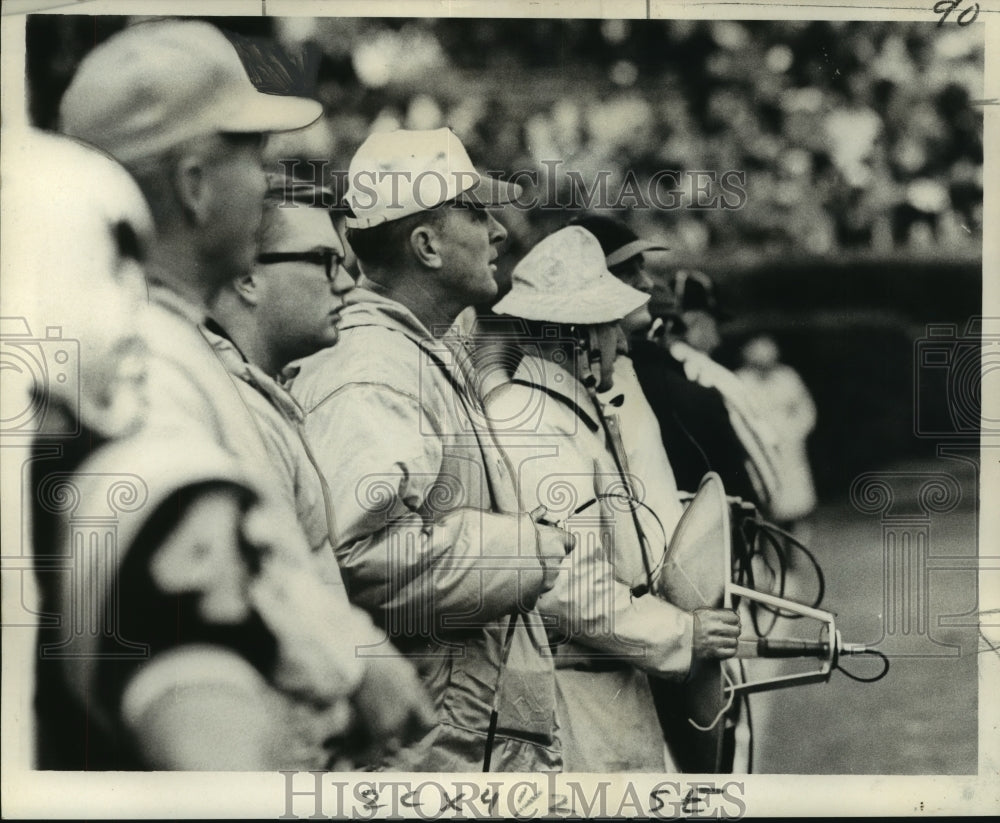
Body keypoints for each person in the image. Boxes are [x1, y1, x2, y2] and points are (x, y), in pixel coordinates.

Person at [49, 19, 429, 769]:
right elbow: (176, 634)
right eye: (249, 155)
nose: (266, 181)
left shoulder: (159, 336)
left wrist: (356, 662)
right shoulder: (138, 365)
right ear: (193, 186)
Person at [290, 127, 573, 772]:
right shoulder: (374, 368)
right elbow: (357, 556)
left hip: (464, 756)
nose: (499, 230)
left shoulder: (416, 354)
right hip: (430, 769)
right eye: (476, 212)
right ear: (426, 245)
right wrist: (527, 548)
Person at [486, 226, 742, 772]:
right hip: (571, 700)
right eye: (608, 326)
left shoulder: (562, 416)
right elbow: (569, 584)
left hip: (603, 684)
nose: (622, 342)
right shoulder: (530, 424)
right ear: (574, 335)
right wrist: (681, 632)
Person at [206, 179, 435, 764]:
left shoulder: (259, 399)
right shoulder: (235, 412)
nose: (348, 281)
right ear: (248, 276)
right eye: (324, 260)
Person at [568, 215, 763, 507]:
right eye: (627, 271)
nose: (646, 283)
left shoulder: (628, 374)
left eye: (642, 270)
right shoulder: (568, 385)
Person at [737, 335, 818, 533]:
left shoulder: (787, 377)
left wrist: (796, 431)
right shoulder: (740, 380)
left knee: (796, 505)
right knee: (766, 505)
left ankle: (796, 556)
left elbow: (805, 409)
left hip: (789, 447)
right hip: (759, 448)